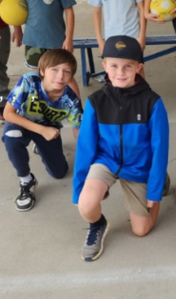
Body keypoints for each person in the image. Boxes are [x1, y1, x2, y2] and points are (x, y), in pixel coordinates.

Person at [72, 37, 170, 261]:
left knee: (141, 230)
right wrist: (79, 187)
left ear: (138, 67)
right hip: (107, 161)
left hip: (139, 165)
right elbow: (86, 148)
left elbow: (160, 149)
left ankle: (158, 182)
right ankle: (98, 226)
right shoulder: (95, 102)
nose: (120, 72)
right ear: (104, 66)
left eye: (128, 66)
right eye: (114, 65)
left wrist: (154, 191)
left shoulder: (153, 102)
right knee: (86, 204)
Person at [1, 48, 83, 212]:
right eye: (54, 69)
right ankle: (26, 180)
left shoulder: (71, 99)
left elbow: (78, 130)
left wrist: (88, 158)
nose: (60, 76)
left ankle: (40, 146)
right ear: (43, 71)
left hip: (49, 130)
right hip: (22, 123)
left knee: (59, 173)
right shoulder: (29, 81)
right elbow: (8, 114)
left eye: (66, 71)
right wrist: (41, 130)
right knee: (11, 135)